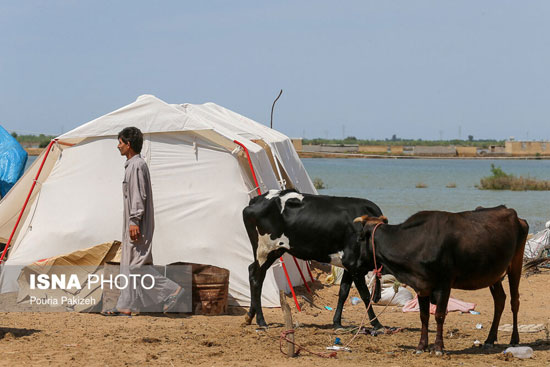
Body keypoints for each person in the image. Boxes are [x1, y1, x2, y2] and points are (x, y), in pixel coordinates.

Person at [102, 127, 183, 316]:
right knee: (130, 264)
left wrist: (134, 221)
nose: (118, 146)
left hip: (137, 223)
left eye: (120, 142)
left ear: (128, 144)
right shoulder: (133, 165)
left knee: (136, 266)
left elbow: (139, 195)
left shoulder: (137, 165)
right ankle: (126, 305)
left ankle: (172, 290)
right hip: (133, 222)